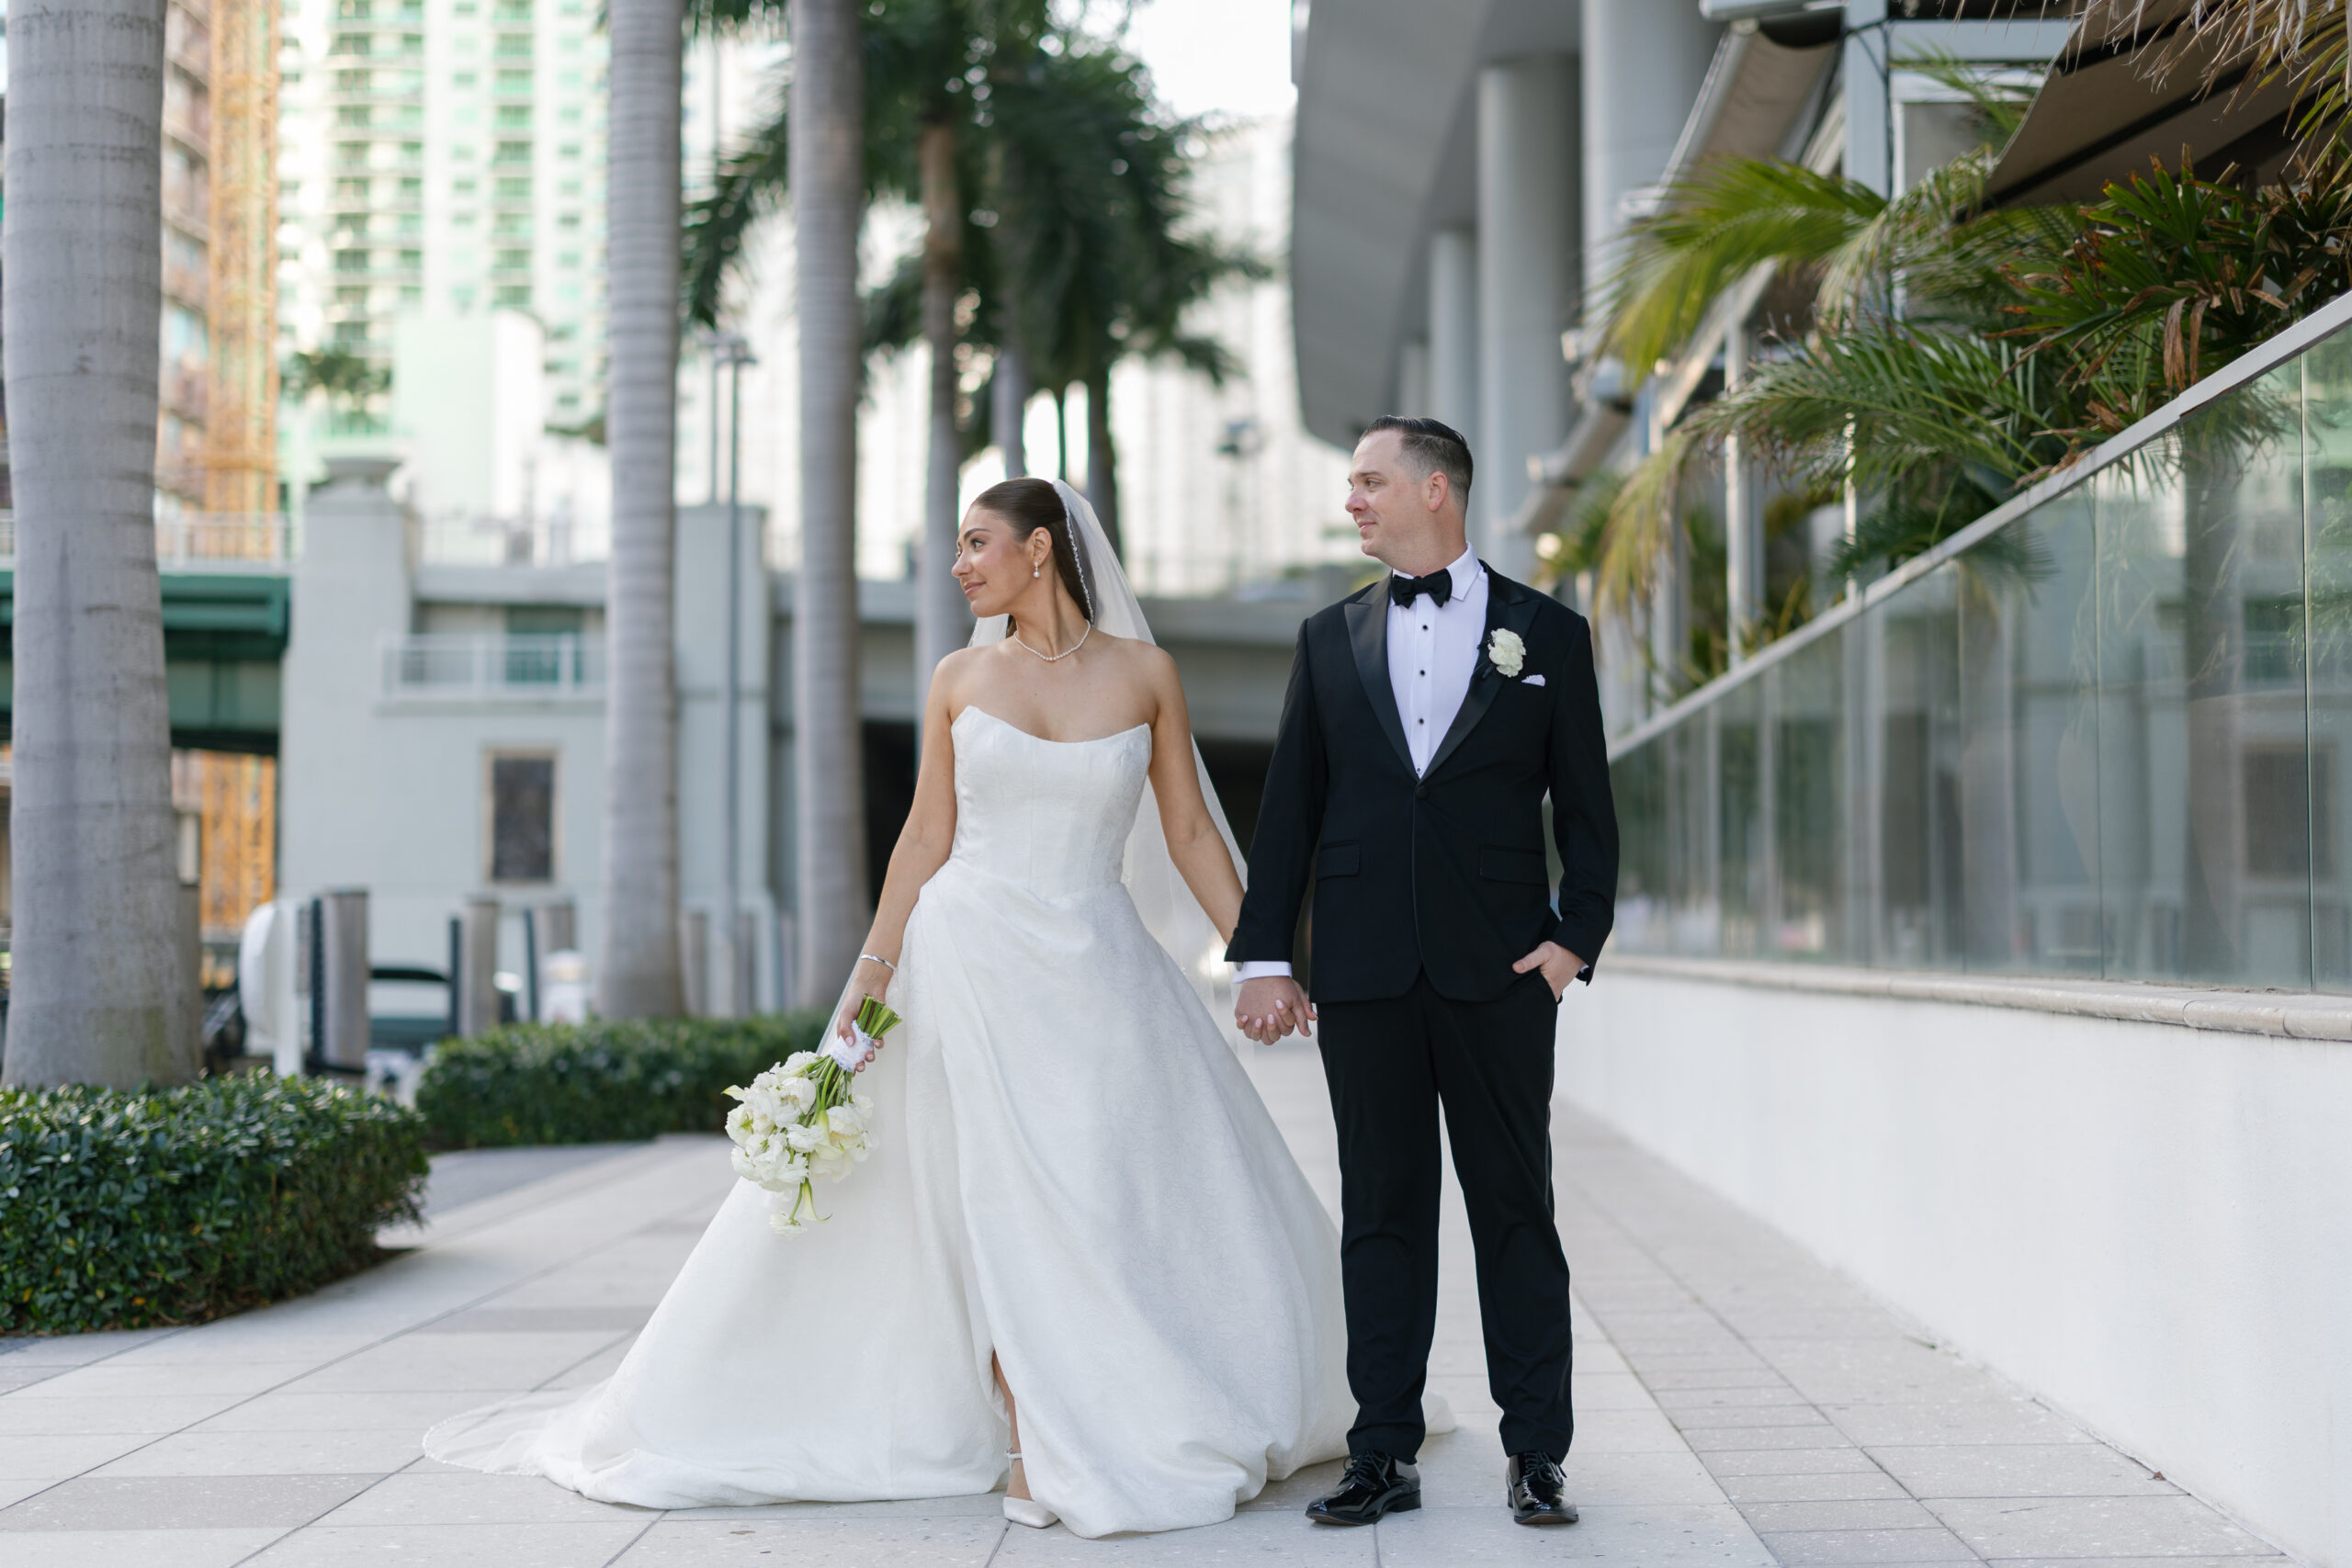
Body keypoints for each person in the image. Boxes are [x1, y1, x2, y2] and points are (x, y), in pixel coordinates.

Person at [425, 477, 1356, 1539]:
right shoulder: (959, 678)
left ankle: (1127, 1394)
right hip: (965, 959)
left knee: (1101, 1185)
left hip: (1097, 966)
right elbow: (925, 836)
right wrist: (869, 980)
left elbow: (1190, 831)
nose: (959, 566)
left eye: (976, 543)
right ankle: (1026, 1437)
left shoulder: (1147, 675)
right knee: (995, 1192)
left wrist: (1263, 961)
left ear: (1040, 550)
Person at [1227, 416, 1618, 1529]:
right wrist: (1267, 956)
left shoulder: (1548, 632)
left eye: (1369, 481)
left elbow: (1587, 808)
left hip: (1501, 973)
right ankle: (1381, 1451)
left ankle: (1536, 1453)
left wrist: (1571, 942)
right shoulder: (1324, 638)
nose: (1351, 500)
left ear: (1436, 489)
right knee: (1381, 1216)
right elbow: (1289, 812)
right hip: (1361, 974)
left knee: (1516, 1214)